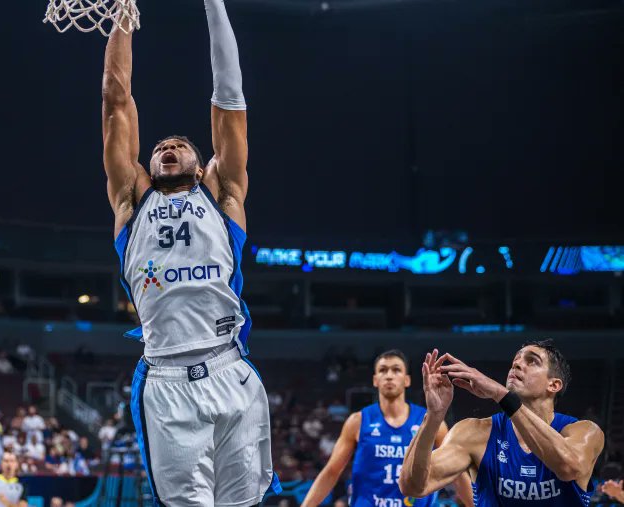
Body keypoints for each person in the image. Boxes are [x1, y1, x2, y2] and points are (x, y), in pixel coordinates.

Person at [102, 0, 278, 503]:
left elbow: (231, 99)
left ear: (202, 167)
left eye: (180, 145)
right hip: (165, 379)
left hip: (229, 367)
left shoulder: (223, 196)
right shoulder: (131, 200)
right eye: (161, 146)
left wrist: (213, 4)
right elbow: (116, 100)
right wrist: (124, 15)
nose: (168, 148)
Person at [399, 340, 605, 506]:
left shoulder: (585, 432)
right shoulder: (475, 433)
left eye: (532, 361)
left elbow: (568, 467)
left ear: (553, 385)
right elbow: (413, 486)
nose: (517, 364)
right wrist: (433, 416)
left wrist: (501, 394)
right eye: (516, 360)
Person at [302, 350, 473, 507]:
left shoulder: (431, 422)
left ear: (407, 380)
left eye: (396, 370)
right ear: (375, 380)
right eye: (383, 370)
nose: (389, 375)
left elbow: (456, 474)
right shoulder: (358, 421)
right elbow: (332, 471)